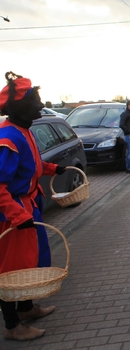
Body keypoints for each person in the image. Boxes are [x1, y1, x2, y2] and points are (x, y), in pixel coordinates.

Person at [0, 72, 66, 341]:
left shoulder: (22, 131)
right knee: (10, 270)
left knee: (30, 262)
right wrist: (16, 214)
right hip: (13, 214)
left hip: (29, 207)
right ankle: (12, 325)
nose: (41, 105)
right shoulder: (7, 138)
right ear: (20, 106)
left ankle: (26, 309)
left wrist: (52, 168)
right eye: (36, 101)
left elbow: (30, 167)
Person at [119, 100, 130, 174]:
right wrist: (129, 132)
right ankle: (129, 168)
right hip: (129, 136)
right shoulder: (125, 114)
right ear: (128, 106)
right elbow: (121, 125)